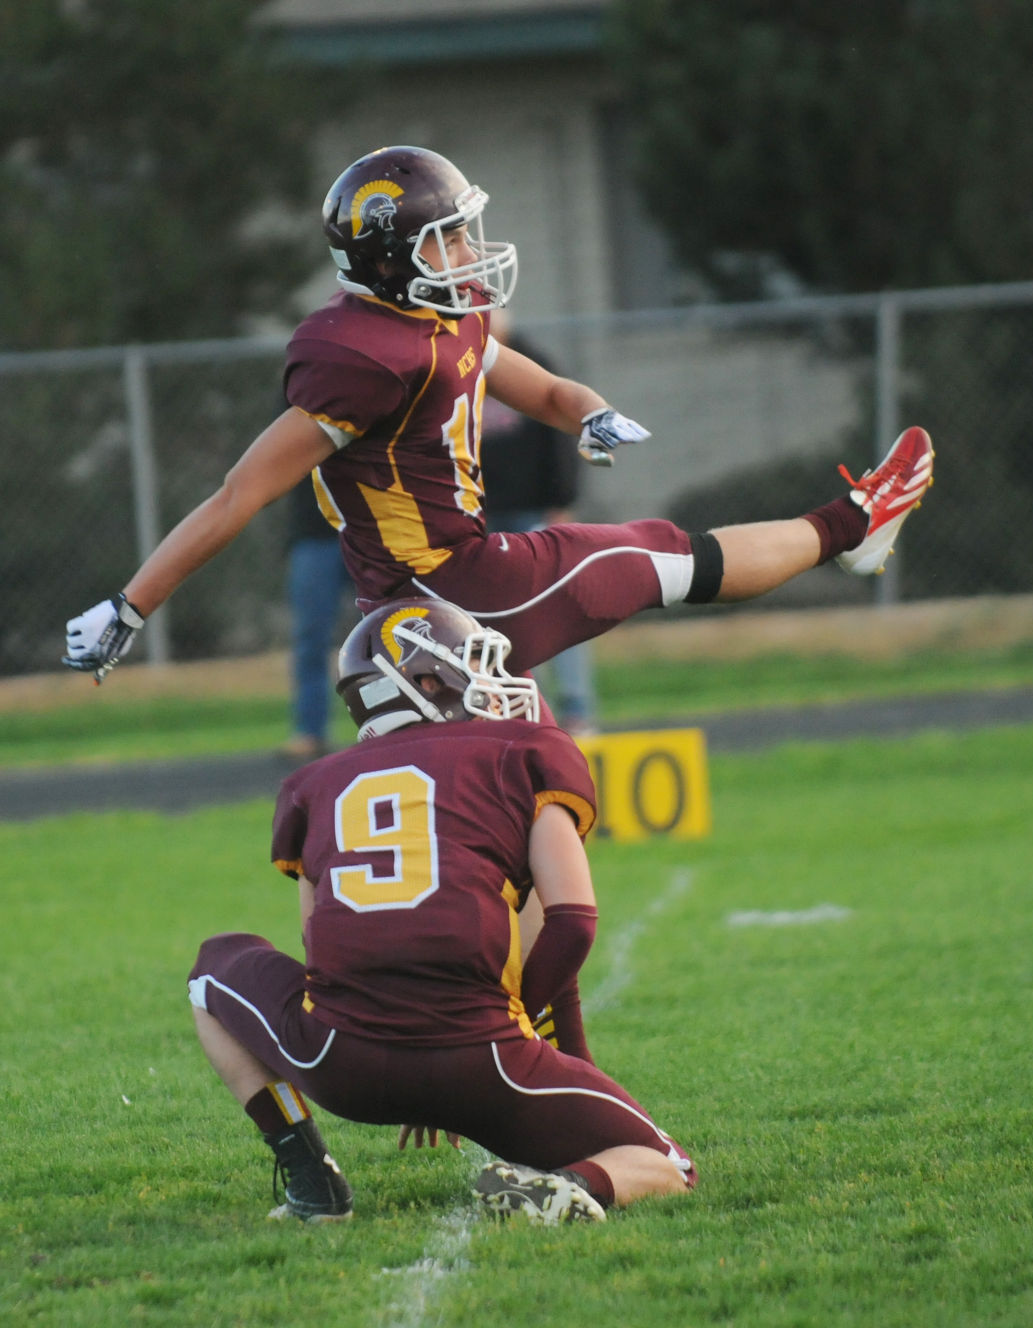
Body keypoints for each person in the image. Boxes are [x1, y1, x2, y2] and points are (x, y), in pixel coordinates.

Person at [63, 143, 935, 689]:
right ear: (392, 255)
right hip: (460, 586)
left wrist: (592, 416)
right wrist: (130, 609)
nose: (469, 254)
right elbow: (235, 496)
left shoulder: (441, 324)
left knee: (498, 809)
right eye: (446, 239)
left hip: (408, 612)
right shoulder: (365, 357)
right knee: (674, 556)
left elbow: (544, 391)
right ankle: (855, 522)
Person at [187, 599, 695, 1223]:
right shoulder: (524, 751)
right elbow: (571, 923)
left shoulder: (312, 785)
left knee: (213, 971)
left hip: (342, 1062)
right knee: (671, 1166)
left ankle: (309, 1176)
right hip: (487, 1062)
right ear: (426, 681)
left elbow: (321, 945)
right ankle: (569, 1183)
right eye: (474, 665)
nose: (494, 683)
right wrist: (523, 1033)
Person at [479, 314, 597, 735]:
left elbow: (561, 436)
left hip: (531, 510)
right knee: (500, 621)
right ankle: (528, 709)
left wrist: (560, 501)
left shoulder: (533, 363)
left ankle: (577, 707)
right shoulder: (461, 369)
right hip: (482, 515)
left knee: (553, 609)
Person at [281, 475, 353, 763]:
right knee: (310, 639)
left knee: (390, 629)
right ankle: (310, 731)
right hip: (313, 533)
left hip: (371, 529)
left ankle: (402, 723)